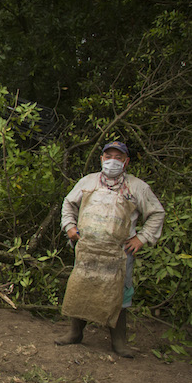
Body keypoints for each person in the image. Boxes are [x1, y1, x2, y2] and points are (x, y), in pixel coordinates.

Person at [57, 141, 164, 358]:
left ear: (126, 161)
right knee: (81, 287)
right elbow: (68, 204)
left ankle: (119, 342)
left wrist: (141, 238)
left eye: (118, 157)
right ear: (101, 159)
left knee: (121, 294)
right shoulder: (87, 182)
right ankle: (74, 333)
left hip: (119, 253)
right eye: (109, 156)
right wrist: (70, 227)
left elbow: (157, 213)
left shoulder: (137, 187)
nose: (112, 161)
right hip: (87, 250)